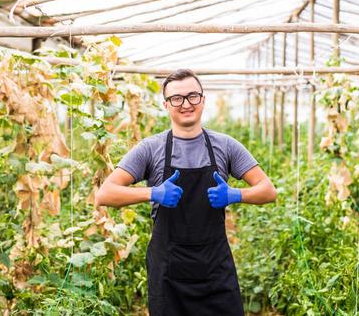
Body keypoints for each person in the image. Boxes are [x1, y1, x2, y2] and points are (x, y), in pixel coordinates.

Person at [95, 69, 277, 316]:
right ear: (166, 105)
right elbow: (105, 194)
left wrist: (236, 194)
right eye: (177, 98)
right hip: (169, 271)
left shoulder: (226, 146)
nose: (186, 104)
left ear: (203, 99)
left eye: (192, 96)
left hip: (215, 269)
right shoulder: (151, 148)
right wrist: (153, 193)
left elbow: (268, 191)